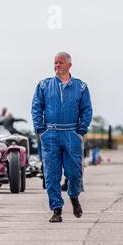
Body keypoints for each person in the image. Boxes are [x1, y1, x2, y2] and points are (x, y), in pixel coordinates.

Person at [31, 52, 92, 223]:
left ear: (69, 65)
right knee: (51, 174)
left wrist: (81, 130)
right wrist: (40, 129)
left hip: (72, 134)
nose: (57, 65)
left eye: (60, 63)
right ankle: (56, 209)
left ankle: (73, 196)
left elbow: (86, 109)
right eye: (55, 63)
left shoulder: (81, 87)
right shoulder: (44, 85)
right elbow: (36, 107)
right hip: (50, 135)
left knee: (74, 173)